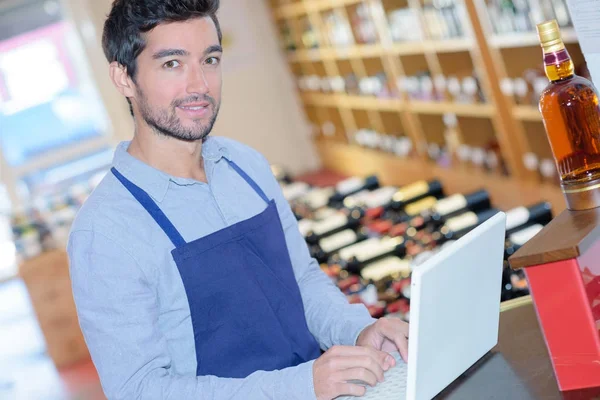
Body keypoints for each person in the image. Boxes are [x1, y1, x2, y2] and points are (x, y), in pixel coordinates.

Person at [67, 0, 409, 399]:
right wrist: (299, 385)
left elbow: (301, 280)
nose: (199, 85)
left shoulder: (245, 165)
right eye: (172, 64)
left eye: (209, 59)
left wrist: (358, 329)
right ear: (124, 77)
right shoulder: (105, 230)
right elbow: (141, 390)